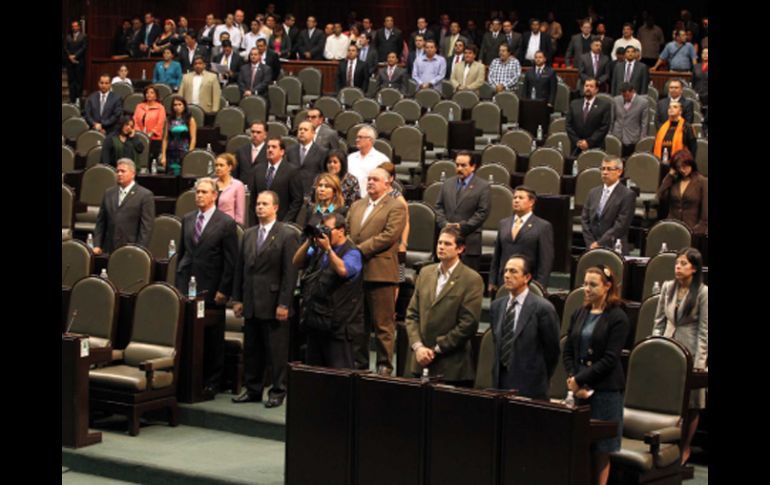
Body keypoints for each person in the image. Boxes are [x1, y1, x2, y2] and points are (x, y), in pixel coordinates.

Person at [563, 265, 630, 485]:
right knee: (579, 444)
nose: (587, 289)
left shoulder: (618, 317)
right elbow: (569, 350)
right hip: (579, 389)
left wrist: (581, 379)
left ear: (607, 286)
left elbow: (610, 359)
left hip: (605, 390)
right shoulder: (579, 312)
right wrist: (573, 378)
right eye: (585, 283)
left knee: (602, 449)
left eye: (593, 284)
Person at [232, 191, 300, 406]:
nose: (260, 207)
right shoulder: (249, 234)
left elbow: (290, 274)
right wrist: (238, 299)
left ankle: (278, 391)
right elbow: (240, 270)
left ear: (275, 208)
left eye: (264, 204)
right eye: (258, 204)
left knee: (276, 351)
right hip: (251, 299)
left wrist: (284, 303)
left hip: (273, 302)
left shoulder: (287, 235)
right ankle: (252, 389)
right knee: (252, 350)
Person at [174, 178, 238, 398]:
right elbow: (182, 254)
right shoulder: (188, 219)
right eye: (197, 191)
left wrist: (224, 290)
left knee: (212, 339)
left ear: (214, 195)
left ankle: (212, 381)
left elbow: (231, 262)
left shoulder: (226, 223)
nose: (199, 195)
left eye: (203, 192)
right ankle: (190, 378)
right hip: (187, 285)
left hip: (212, 288)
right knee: (187, 334)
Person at [347, 168, 407, 374]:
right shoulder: (357, 205)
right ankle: (360, 364)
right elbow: (347, 231)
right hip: (356, 272)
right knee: (358, 324)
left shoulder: (396, 206)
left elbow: (390, 236)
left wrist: (359, 250)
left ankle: (384, 365)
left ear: (387, 184)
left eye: (375, 179)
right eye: (369, 178)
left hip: (380, 272)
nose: (370, 182)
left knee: (383, 325)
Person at [405, 227, 483, 385]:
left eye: (447, 244)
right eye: (439, 243)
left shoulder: (471, 279)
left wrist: (436, 349)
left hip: (451, 367)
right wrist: (418, 347)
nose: (441, 247)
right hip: (420, 361)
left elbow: (468, 324)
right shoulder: (425, 273)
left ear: (460, 249)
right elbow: (412, 314)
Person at [653, 248, 708, 465]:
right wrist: (656, 346)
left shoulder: (703, 293)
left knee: (692, 403)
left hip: (691, 351)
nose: (678, 267)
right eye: (677, 263)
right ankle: (668, 446)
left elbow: (705, 331)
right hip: (667, 349)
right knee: (668, 399)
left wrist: (700, 362)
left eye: (683, 263)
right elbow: (658, 321)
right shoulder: (667, 288)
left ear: (694, 268)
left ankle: (685, 447)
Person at [293, 213, 363, 369]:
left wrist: (329, 250)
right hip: (316, 321)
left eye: (327, 229)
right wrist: (309, 241)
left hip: (339, 327)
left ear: (341, 230)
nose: (324, 233)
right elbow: (296, 262)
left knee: (338, 377)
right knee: (315, 374)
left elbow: (343, 270)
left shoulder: (352, 252)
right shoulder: (318, 249)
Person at [490, 255, 560, 399]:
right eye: (506, 271)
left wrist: (540, 377)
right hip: (500, 383)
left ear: (527, 277)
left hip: (530, 387)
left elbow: (552, 351)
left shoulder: (543, 308)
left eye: (513, 271)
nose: (507, 276)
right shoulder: (497, 306)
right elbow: (497, 342)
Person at [489, 186, 554, 289]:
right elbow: (497, 255)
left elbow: (545, 260)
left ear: (531, 202)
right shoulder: (504, 223)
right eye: (515, 198)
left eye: (520, 198)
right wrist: (492, 280)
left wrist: (540, 286)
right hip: (504, 281)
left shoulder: (542, 226)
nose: (516, 201)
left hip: (528, 282)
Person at [434, 151, 490, 271]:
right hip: (447, 239)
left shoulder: (483, 186)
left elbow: (482, 213)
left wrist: (461, 226)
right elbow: (438, 207)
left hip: (469, 242)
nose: (459, 168)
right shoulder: (447, 183)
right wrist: (444, 224)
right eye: (457, 165)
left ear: (473, 166)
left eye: (463, 165)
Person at [93, 159, 155, 255]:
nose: (119, 174)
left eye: (123, 171)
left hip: (131, 249)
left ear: (133, 174)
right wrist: (97, 245)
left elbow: (146, 228)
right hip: (108, 249)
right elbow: (101, 222)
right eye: (117, 171)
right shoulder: (109, 193)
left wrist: (139, 250)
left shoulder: (145, 195)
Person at [581, 157, 637, 254]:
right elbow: (585, 219)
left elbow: (621, 225)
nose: (605, 172)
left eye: (609, 169)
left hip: (614, 248)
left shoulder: (627, 195)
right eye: (603, 169)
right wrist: (590, 243)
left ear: (619, 172)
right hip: (591, 247)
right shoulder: (593, 192)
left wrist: (599, 243)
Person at [247, 137, 303, 223]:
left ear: (282, 151)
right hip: (260, 222)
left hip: (282, 222)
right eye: (268, 147)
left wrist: (286, 223)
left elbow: (297, 200)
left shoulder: (292, 171)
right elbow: (253, 200)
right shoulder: (258, 169)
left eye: (274, 147)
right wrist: (253, 224)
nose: (270, 150)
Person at [656, 149, 707, 235]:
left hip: (692, 230)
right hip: (671, 228)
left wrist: (696, 231)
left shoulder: (702, 182)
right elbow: (660, 196)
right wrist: (670, 176)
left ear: (691, 164)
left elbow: (705, 215)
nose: (682, 170)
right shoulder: (674, 181)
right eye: (678, 167)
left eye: (685, 166)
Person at [378, 162, 410, 292]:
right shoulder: (375, 195)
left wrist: (403, 243)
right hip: (378, 242)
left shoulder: (398, 198)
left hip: (396, 244)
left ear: (391, 179)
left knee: (397, 278)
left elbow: (406, 222)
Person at [566, 78, 611, 156]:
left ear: (596, 89)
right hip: (576, 148)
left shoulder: (604, 105)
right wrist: (577, 141)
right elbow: (568, 125)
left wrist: (588, 142)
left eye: (591, 86)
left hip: (596, 147)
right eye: (586, 86)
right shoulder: (574, 104)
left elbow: (604, 127)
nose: (588, 88)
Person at [286, 121, 328, 197]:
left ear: (313, 133)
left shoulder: (322, 152)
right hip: (292, 193)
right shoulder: (290, 150)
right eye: (300, 129)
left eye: (305, 130)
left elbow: (324, 174)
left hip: (312, 194)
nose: (302, 132)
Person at [347, 125, 390, 197]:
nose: (357, 139)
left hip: (373, 199)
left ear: (370, 139)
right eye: (357, 137)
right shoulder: (350, 158)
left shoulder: (382, 159)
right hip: (351, 200)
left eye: (360, 137)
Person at [611, 83, 649, 158]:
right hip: (617, 136)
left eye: (627, 95)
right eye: (623, 95)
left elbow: (644, 123)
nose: (625, 98)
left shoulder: (643, 102)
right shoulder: (616, 100)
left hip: (633, 137)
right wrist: (610, 133)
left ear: (633, 92)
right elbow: (612, 119)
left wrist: (642, 139)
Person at [160, 95, 195, 176]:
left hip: (184, 151)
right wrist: (163, 156)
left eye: (180, 104)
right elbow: (165, 139)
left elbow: (193, 138)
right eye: (175, 105)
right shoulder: (168, 119)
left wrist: (190, 154)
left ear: (184, 106)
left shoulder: (190, 119)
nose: (177, 107)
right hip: (170, 152)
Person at [133, 84, 166, 160]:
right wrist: (139, 133)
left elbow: (160, 123)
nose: (149, 94)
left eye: (152, 93)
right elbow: (134, 120)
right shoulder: (139, 106)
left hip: (154, 138)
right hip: (139, 137)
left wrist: (151, 133)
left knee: (151, 159)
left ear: (156, 95)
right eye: (147, 93)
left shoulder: (160, 108)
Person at [214, 153, 246, 225]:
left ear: (229, 167)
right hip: (211, 225)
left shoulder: (238, 185)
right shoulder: (211, 183)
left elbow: (240, 213)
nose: (218, 168)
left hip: (228, 225)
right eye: (216, 165)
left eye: (221, 165)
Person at [65, 20, 87, 104]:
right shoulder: (68, 37)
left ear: (78, 27)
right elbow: (65, 48)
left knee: (79, 81)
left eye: (75, 26)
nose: (74, 28)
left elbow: (84, 47)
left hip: (79, 62)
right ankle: (72, 99)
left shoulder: (83, 36)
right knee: (71, 81)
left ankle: (78, 98)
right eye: (73, 26)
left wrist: (75, 56)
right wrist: (70, 56)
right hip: (70, 63)